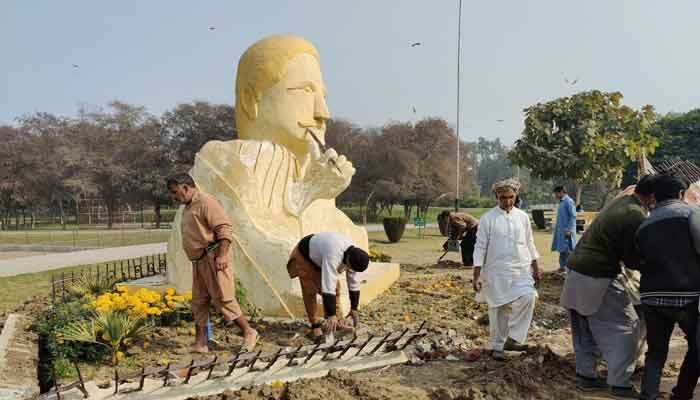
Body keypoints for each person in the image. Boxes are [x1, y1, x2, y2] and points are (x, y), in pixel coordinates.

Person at [559, 174, 656, 398]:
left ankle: (586, 376)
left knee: (583, 328)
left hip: (575, 271)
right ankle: (620, 384)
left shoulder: (622, 202)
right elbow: (631, 259)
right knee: (627, 326)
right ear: (652, 196)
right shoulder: (635, 214)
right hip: (597, 275)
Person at [166, 173, 258, 353]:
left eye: (175, 192)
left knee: (223, 298)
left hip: (214, 257)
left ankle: (249, 331)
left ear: (186, 187)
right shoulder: (188, 207)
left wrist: (222, 256)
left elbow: (223, 228)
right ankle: (200, 344)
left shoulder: (207, 202)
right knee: (199, 302)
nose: (173, 196)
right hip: (199, 261)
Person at [635, 173, 700, 400]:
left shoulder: (644, 225)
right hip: (686, 295)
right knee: (696, 347)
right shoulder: (691, 213)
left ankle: (648, 395)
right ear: (681, 194)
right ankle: (682, 393)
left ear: (655, 196)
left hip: (652, 296)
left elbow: (640, 259)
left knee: (656, 351)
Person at [473, 177, 540, 361]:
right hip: (496, 271)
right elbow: (480, 247)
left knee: (528, 297)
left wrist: (536, 266)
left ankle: (514, 338)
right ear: (496, 196)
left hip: (520, 270)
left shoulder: (523, 217)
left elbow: (529, 242)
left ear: (515, 195)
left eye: (511, 197)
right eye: (503, 198)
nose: (508, 201)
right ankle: (497, 346)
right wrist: (476, 275)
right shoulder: (488, 219)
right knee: (498, 309)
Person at [286, 232, 370, 341]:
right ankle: (315, 326)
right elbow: (328, 285)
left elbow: (353, 283)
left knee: (336, 289)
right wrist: (331, 314)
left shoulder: (355, 256)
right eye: (350, 267)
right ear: (348, 260)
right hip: (305, 255)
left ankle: (336, 323)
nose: (351, 271)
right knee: (310, 289)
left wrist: (354, 308)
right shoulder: (334, 255)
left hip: (320, 258)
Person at [551, 186, 577, 274]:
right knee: (562, 249)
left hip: (567, 231)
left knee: (568, 250)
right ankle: (562, 267)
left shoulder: (568, 201)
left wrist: (569, 229)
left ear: (561, 192)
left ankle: (570, 268)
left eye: (556, 193)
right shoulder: (562, 202)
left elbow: (573, 216)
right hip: (561, 230)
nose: (555, 195)